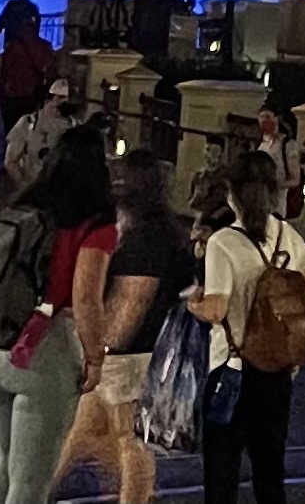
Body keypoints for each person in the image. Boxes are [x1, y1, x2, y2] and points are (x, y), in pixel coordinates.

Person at [0, 123, 115, 504]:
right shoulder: (95, 224)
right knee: (30, 483)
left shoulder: (21, 207)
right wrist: (95, 359)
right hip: (46, 352)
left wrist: (0, 304)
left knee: (6, 465)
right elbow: (86, 298)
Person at [51, 147, 193, 504]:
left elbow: (134, 299)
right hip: (128, 354)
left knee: (128, 440)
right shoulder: (155, 232)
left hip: (131, 356)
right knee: (85, 433)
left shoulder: (147, 238)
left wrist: (101, 345)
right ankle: (34, 492)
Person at [190, 146, 305, 504]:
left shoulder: (223, 242)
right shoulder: (287, 236)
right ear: (272, 192)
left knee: (221, 472)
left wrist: (194, 303)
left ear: (232, 193)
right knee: (270, 471)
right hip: (277, 371)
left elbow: (216, 309)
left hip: (231, 369)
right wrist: (302, 340)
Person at [4, 74, 75, 189]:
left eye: (61, 97)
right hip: (34, 188)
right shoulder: (28, 123)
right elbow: (10, 161)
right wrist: (25, 187)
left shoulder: (75, 127)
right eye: (53, 96)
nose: (55, 101)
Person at [0, 16, 56, 144]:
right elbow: (49, 70)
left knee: (11, 133)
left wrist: (3, 87)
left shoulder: (13, 47)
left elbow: (4, 71)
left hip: (13, 96)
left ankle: (11, 158)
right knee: (31, 133)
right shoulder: (44, 46)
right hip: (33, 96)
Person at [256, 102, 305, 218]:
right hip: (259, 202)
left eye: (267, 117)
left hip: (277, 205)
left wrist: (273, 184)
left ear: (276, 118)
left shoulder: (288, 145)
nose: (264, 121)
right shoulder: (260, 144)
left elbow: (295, 180)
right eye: (261, 117)